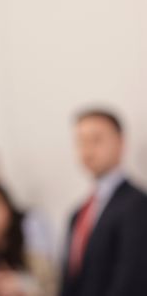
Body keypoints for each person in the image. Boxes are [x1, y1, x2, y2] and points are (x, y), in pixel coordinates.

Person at [60, 109, 147, 296]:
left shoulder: (138, 205)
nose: (87, 150)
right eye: (81, 141)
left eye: (96, 140)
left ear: (121, 143)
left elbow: (132, 280)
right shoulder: (78, 213)